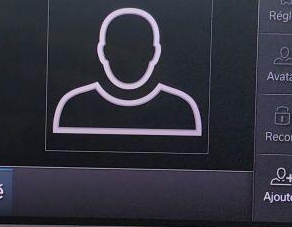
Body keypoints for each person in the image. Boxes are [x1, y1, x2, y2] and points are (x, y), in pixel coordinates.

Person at [52, 8, 201, 136]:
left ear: (153, 52)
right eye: (120, 48)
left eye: (138, 48)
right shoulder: (75, 104)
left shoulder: (179, 108)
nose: (128, 58)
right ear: (103, 51)